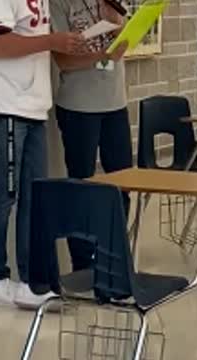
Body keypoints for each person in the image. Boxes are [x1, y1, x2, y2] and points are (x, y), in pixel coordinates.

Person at [0, 0, 86, 307]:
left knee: (36, 196)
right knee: (3, 194)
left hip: (32, 103)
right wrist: (52, 41)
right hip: (2, 103)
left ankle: (33, 279)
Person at [49, 0, 131, 271]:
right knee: (81, 185)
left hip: (115, 103)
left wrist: (120, 29)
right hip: (79, 106)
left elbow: (123, 45)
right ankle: (82, 263)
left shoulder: (110, 3)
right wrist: (102, 56)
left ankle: (114, 255)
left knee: (122, 184)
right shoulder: (58, 4)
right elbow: (63, 61)